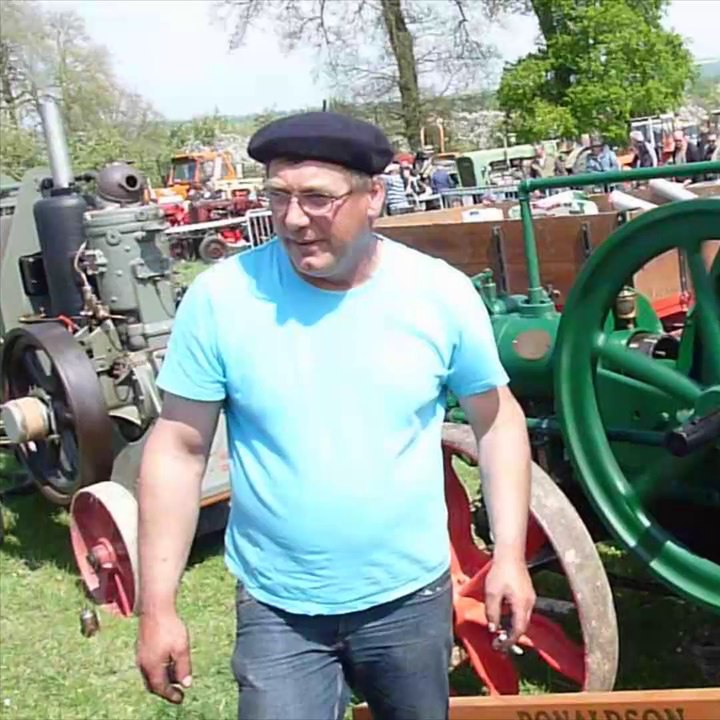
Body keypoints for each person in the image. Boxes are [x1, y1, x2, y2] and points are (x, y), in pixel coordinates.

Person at [134, 111, 537, 720]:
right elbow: (179, 449)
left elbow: (498, 421)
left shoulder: (438, 294)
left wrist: (508, 554)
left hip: (410, 598)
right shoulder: (221, 298)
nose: (294, 219)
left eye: (317, 198)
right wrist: (157, 606)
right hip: (279, 610)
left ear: (373, 196)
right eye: (279, 196)